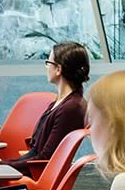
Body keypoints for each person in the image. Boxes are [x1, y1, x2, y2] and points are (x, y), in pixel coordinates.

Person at [12, 41, 89, 178]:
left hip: (35, 178)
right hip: (30, 172)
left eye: (48, 62)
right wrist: (3, 164)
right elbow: (36, 153)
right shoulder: (61, 104)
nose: (46, 67)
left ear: (58, 69)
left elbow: (44, 160)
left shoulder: (70, 109)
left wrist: (2, 166)